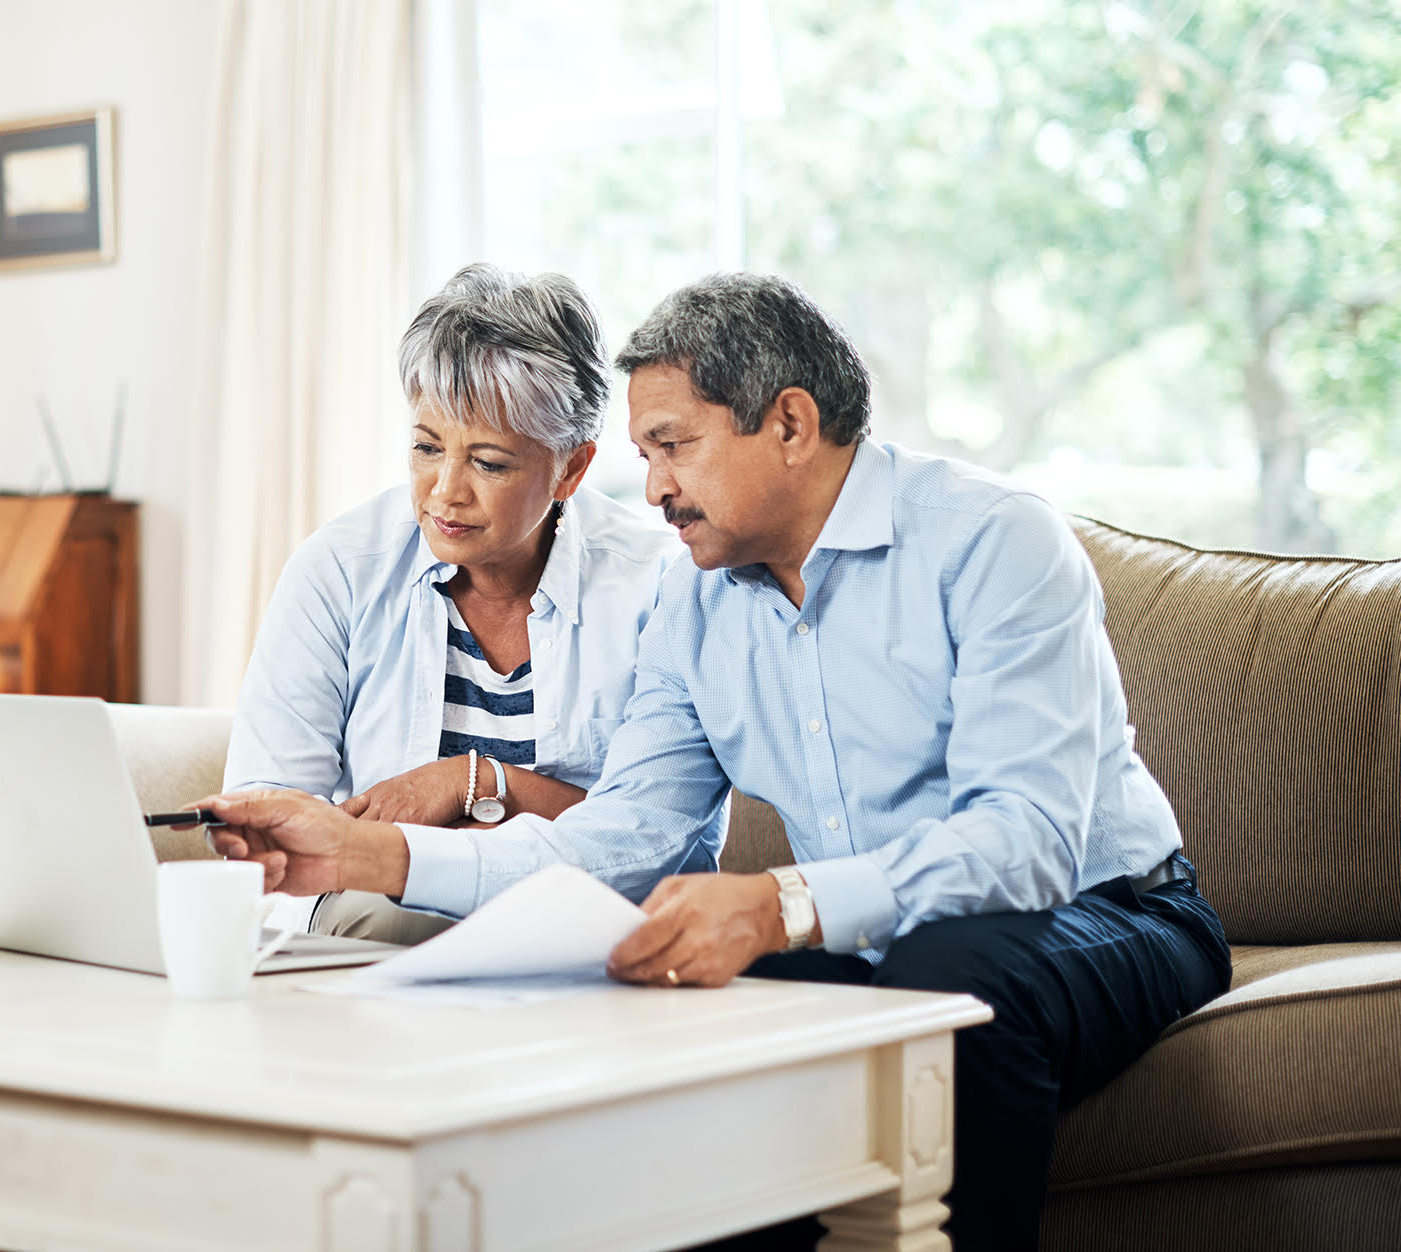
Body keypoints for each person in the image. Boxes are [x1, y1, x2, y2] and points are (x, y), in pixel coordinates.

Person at [194, 273, 1231, 1249]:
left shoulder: (995, 542)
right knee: (689, 1021)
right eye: (645, 456)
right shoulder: (691, 599)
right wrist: (369, 856)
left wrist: (777, 903)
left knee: (941, 982)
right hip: (884, 935)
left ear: (788, 423)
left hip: (1112, 906)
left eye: (671, 447)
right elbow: (623, 837)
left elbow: (1028, 843)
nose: (651, 489)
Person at [222, 262, 690, 944]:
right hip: (378, 927)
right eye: (426, 447)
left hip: (578, 929)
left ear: (571, 468)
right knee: (383, 918)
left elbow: (662, 840)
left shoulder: (655, 586)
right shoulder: (340, 570)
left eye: (489, 463)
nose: (445, 492)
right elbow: (268, 806)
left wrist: (475, 781)